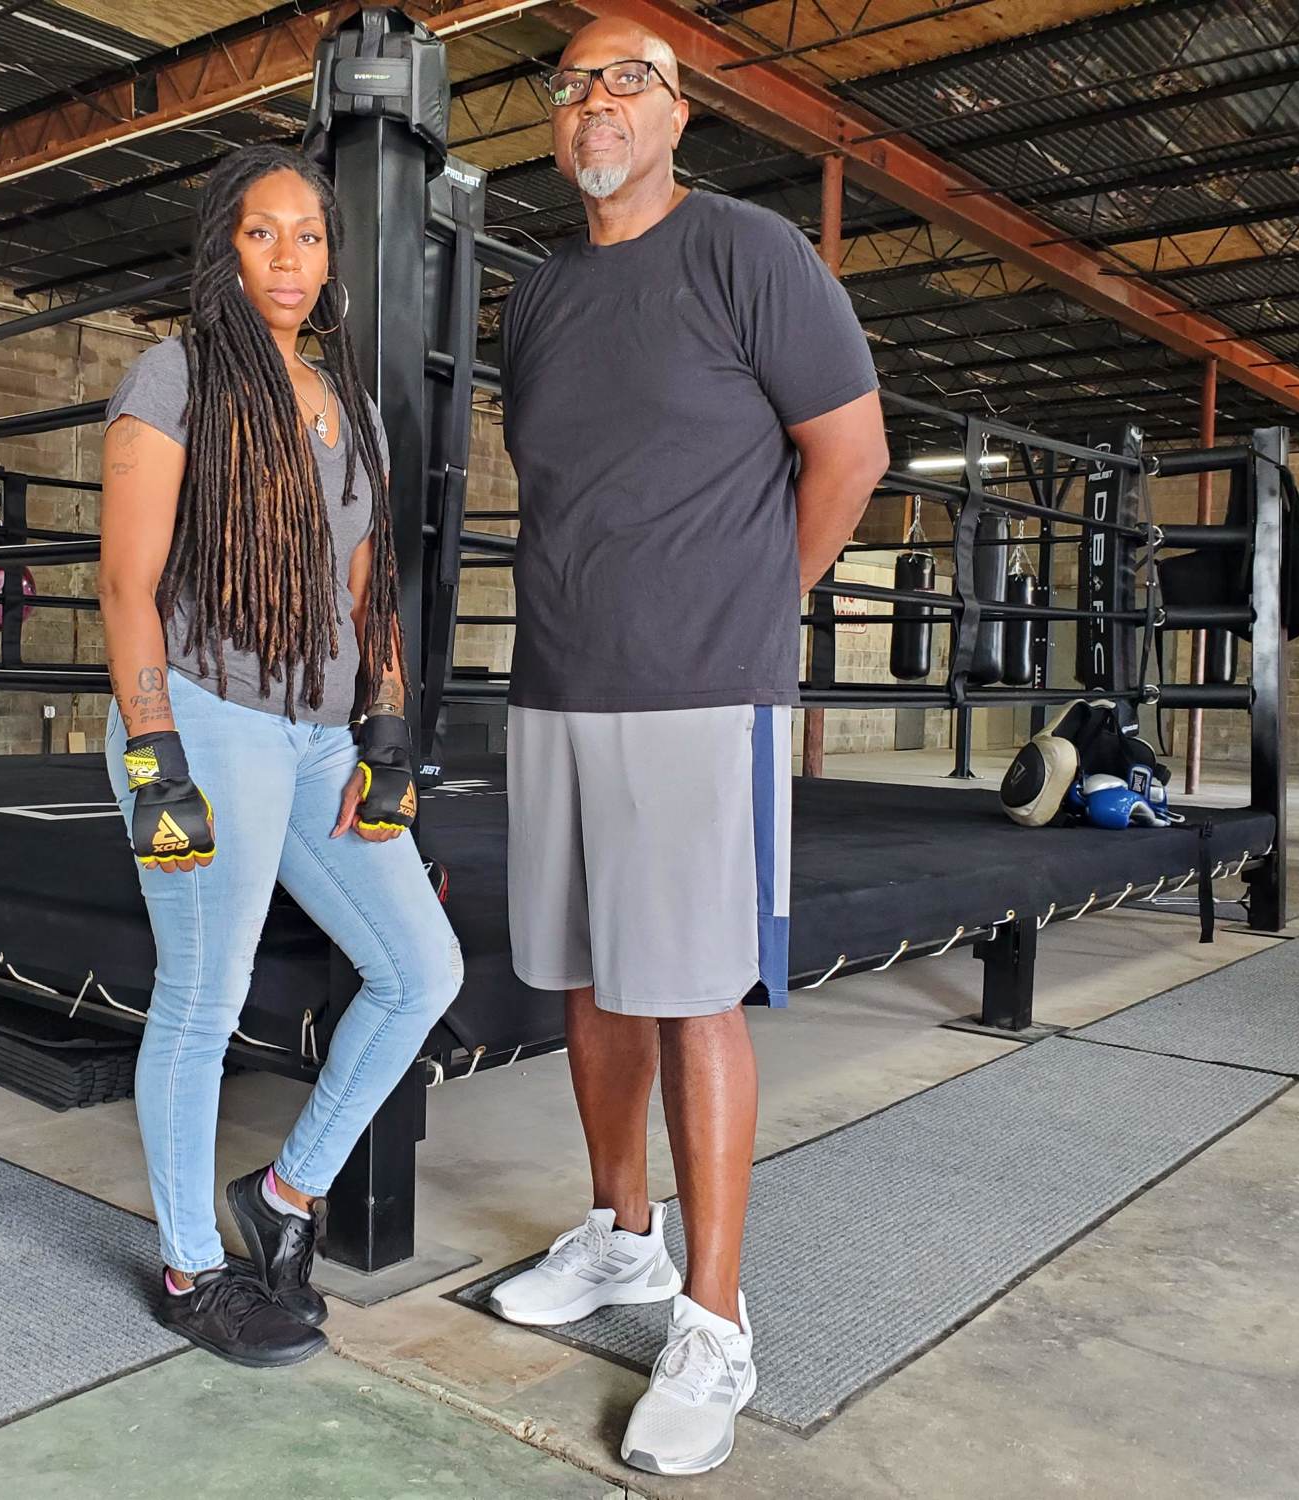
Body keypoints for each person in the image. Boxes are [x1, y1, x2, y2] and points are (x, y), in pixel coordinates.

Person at [486, 18, 891, 1478]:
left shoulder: (746, 252)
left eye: (628, 80)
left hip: (699, 693)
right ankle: (623, 1241)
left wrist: (755, 606)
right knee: (595, 980)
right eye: (576, 83)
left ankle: (715, 1321)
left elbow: (851, 450)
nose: (596, 101)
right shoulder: (532, 300)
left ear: (678, 115)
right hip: (559, 683)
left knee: (695, 994)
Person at [98, 143, 462, 1370]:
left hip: (319, 736)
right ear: (224, 247)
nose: (290, 258)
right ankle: (191, 1267)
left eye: (309, 236)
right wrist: (156, 752)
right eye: (264, 234)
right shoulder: (178, 374)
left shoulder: (347, 401)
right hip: (206, 714)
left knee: (421, 970)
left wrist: (389, 727)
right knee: (202, 998)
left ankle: (285, 1198)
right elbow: (126, 582)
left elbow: (369, 593)